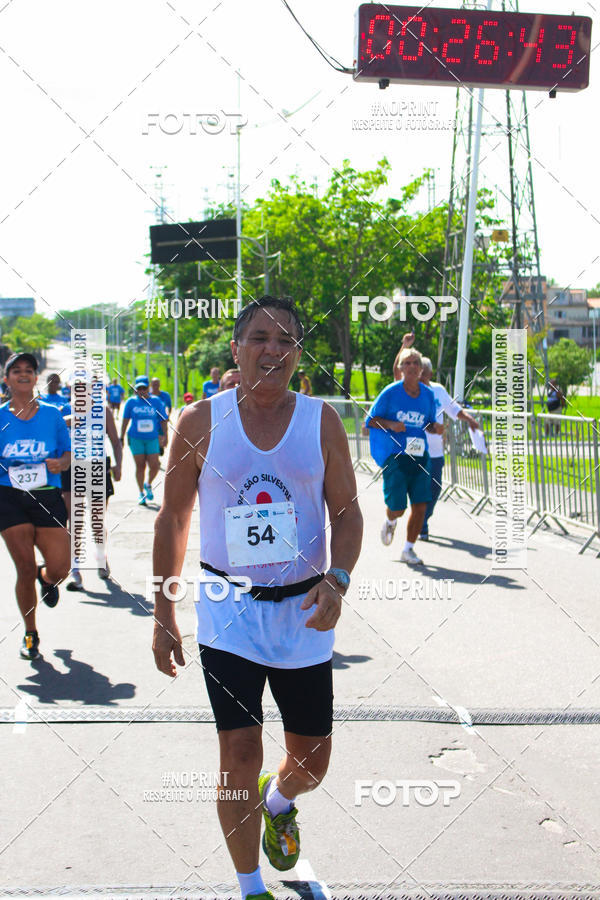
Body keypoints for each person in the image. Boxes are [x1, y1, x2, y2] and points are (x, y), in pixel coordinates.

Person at [152, 296, 363, 900]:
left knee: (313, 762)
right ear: (237, 349)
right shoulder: (199, 422)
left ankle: (280, 801)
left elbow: (347, 516)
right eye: (260, 338)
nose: (273, 350)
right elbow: (172, 520)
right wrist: (164, 613)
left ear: (297, 354)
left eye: (286, 341)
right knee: (240, 749)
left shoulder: (320, 421)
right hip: (228, 611)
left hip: (304, 613)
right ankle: (251, 888)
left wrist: (338, 579)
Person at [0, 353, 71, 659]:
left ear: (36, 378)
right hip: (8, 496)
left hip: (46, 495)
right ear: (7, 380)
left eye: (29, 370)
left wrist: (61, 462)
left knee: (61, 568)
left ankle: (47, 579)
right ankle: (30, 633)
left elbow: (68, 454)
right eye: (17, 371)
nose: (24, 375)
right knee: (23, 567)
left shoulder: (53, 415)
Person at [366, 347, 442, 565]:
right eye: (406, 363)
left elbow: (427, 422)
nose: (411, 367)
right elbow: (370, 420)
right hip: (396, 456)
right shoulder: (390, 392)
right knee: (398, 508)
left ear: (421, 370)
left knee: (421, 505)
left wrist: (435, 427)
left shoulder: (428, 395)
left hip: (420, 456)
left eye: (415, 363)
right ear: (400, 368)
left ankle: (408, 549)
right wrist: (390, 424)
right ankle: (390, 520)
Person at [67, 392, 123, 590]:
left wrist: (118, 465)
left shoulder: (104, 412)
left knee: (97, 519)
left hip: (98, 467)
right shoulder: (65, 411)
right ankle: (75, 566)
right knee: (75, 519)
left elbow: (116, 441)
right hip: (73, 467)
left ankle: (101, 557)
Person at [419, 357, 479, 540]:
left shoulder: (438, 390)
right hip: (416, 449)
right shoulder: (411, 391)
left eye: (422, 371)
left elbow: (454, 409)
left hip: (436, 450)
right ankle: (420, 523)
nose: (419, 375)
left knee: (435, 488)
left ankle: (423, 519)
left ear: (429, 373)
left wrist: (469, 419)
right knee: (419, 487)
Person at [120, 376, 167, 505]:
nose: (141, 391)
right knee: (140, 466)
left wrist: (165, 436)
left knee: (155, 465)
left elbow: (163, 420)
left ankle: (148, 484)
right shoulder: (131, 402)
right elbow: (125, 420)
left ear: (148, 388)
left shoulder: (156, 402)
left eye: (144, 388)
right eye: (139, 388)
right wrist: (121, 437)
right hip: (136, 438)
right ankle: (141, 493)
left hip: (152, 438)